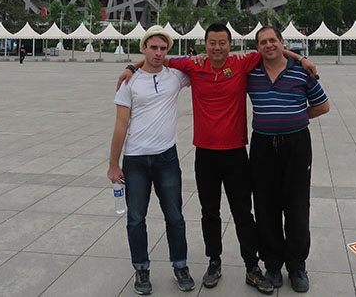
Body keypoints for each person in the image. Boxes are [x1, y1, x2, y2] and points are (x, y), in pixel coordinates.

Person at [118, 23, 317, 294]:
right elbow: (157, 57)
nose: (217, 47)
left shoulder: (242, 63)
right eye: (212, 42)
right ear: (205, 44)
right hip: (206, 153)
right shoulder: (192, 66)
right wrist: (131, 67)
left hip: (236, 152)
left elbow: (274, 50)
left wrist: (302, 58)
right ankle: (214, 262)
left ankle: (252, 266)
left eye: (222, 42)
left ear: (230, 44)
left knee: (243, 213)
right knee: (209, 212)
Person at [107, 26, 195, 295]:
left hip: (166, 158)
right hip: (135, 160)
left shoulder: (176, 77)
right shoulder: (129, 82)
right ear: (143, 48)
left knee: (175, 216)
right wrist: (113, 164)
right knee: (135, 218)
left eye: (163, 48)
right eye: (153, 47)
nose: (158, 52)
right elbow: (121, 124)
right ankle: (141, 269)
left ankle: (180, 265)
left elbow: (199, 66)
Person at [247, 26, 329, 292]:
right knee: (265, 205)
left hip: (296, 145)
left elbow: (323, 105)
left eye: (273, 40)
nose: (269, 45)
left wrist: (297, 117)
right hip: (262, 145)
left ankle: (296, 266)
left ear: (282, 42)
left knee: (296, 206)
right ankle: (272, 264)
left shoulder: (301, 72)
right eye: (263, 42)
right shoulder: (251, 73)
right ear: (257, 47)